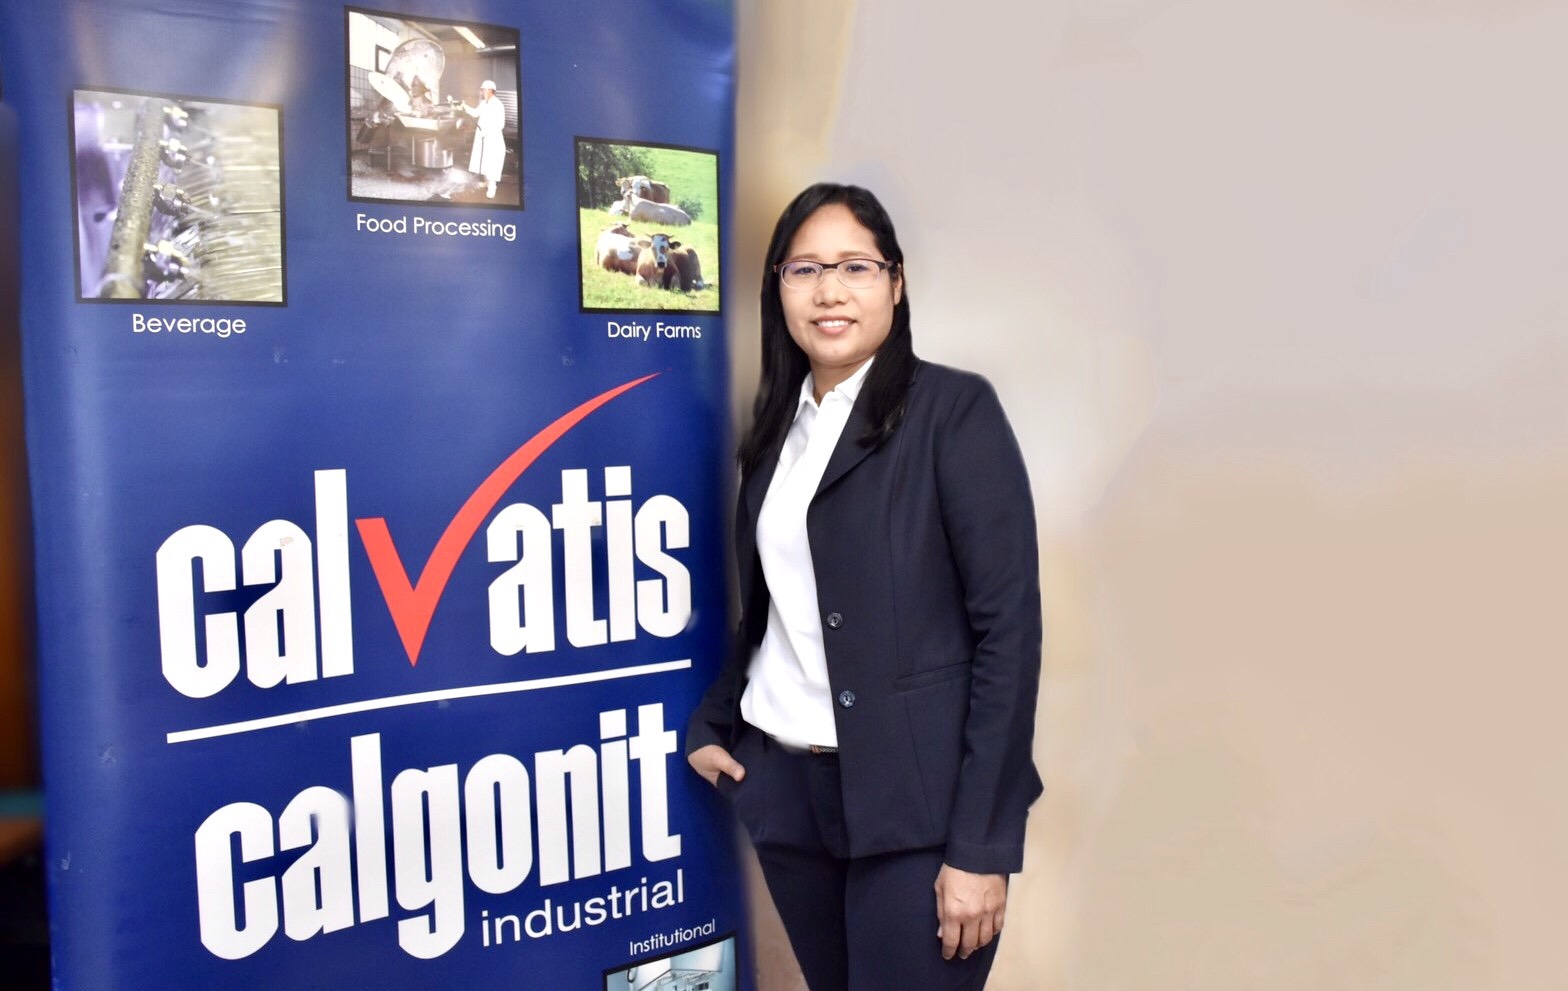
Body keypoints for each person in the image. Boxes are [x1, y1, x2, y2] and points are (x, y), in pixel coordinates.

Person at [686, 183, 1043, 990]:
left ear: (896, 282)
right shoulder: (776, 428)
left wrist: (980, 845)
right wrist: (716, 719)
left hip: (918, 806)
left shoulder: (954, 412)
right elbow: (772, 608)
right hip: (789, 796)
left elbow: (1009, 634)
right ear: (778, 287)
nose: (830, 291)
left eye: (855, 266)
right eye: (805, 269)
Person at [460, 80, 506, 198]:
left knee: (491, 162)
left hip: (492, 138)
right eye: (481, 90)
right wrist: (464, 106)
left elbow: (501, 124)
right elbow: (475, 113)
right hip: (482, 137)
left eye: (483, 90)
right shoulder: (484, 103)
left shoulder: (498, 104)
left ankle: (492, 187)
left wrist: (488, 131)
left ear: (490, 90)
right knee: (483, 160)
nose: (481, 92)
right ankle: (486, 182)